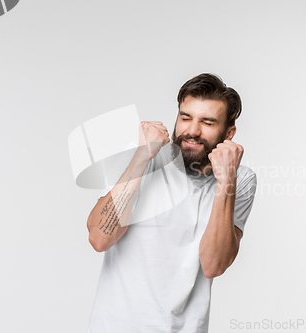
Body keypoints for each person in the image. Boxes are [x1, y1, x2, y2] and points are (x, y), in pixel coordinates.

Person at [87, 73, 257, 333]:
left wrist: (226, 183)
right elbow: (100, 238)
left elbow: (213, 265)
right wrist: (141, 158)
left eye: (207, 122)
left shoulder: (240, 179)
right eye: (185, 117)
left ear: (229, 133)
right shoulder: (141, 154)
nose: (192, 131)